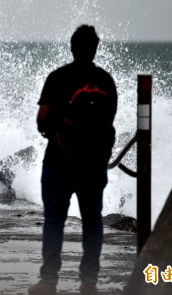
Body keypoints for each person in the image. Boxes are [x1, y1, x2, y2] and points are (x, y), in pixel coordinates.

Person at [30, 25, 117, 295]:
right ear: (95, 49)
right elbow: (108, 122)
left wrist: (52, 130)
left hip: (59, 160)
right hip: (94, 164)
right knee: (93, 220)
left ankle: (48, 282)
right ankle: (89, 283)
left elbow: (42, 119)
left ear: (72, 47)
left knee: (55, 221)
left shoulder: (58, 77)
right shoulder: (106, 81)